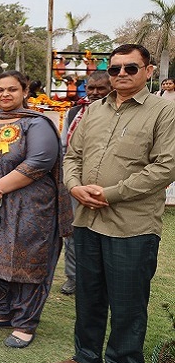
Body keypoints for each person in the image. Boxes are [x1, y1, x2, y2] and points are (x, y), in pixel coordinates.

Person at [59, 44, 175, 363]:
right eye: (115, 68)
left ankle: (122, 359)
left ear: (148, 71)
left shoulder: (164, 111)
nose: (121, 73)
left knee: (128, 306)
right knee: (88, 298)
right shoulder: (94, 110)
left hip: (131, 227)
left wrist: (110, 194)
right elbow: (72, 156)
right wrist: (74, 186)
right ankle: (85, 357)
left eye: (130, 68)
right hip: (87, 220)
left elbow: (165, 167)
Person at [0, 70, 72, 348]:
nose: (5, 94)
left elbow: (39, 162)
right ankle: (1, 312)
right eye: (0, 90)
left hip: (29, 209)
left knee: (27, 262)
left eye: (12, 89)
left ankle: (25, 322)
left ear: (25, 91)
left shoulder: (37, 123)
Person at [58, 71, 111, 295]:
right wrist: (70, 181)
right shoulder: (74, 112)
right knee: (72, 232)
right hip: (75, 184)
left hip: (107, 185)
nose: (95, 93)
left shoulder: (117, 113)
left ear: (111, 88)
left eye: (101, 88)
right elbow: (64, 148)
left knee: (105, 233)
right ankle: (73, 277)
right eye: (91, 88)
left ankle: (103, 278)